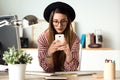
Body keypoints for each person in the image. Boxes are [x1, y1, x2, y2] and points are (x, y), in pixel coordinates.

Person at [37, 1, 80, 72]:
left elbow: (71, 69)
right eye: (55, 21)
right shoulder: (42, 38)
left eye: (63, 21)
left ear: (68, 22)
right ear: (51, 22)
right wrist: (49, 52)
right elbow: (47, 69)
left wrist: (68, 53)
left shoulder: (74, 38)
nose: (59, 25)